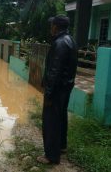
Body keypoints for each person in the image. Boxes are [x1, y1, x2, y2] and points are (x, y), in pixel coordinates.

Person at [37, 15, 78, 164]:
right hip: (65, 88)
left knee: (51, 122)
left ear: (56, 26)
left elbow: (54, 71)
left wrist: (48, 93)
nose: (50, 28)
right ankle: (61, 146)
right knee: (61, 117)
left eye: (52, 25)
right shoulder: (70, 40)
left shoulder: (60, 43)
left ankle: (51, 156)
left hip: (56, 90)